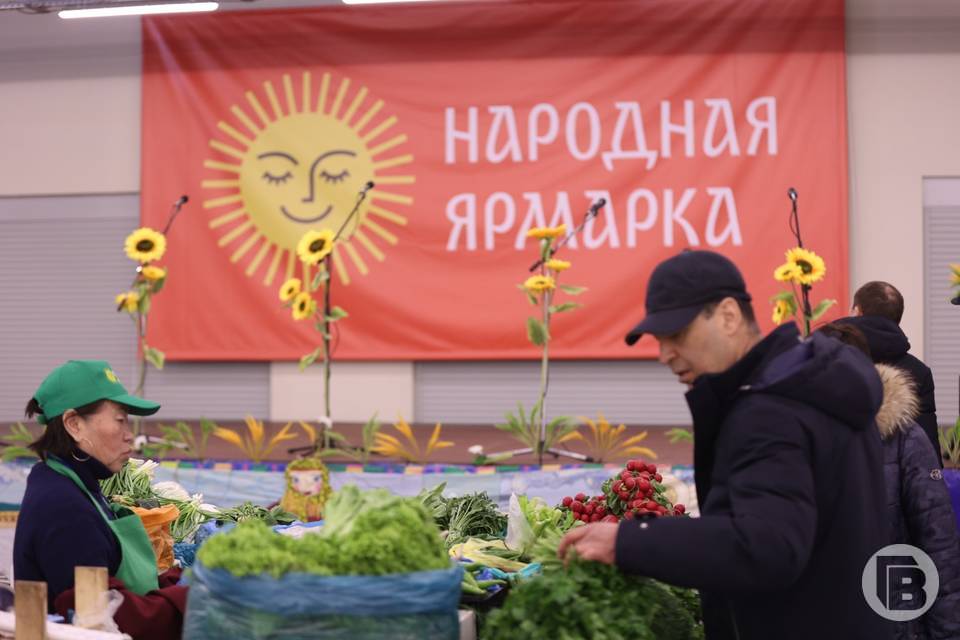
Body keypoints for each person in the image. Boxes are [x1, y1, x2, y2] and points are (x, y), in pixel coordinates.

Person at [558, 250, 892, 640]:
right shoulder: (816, 383)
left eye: (677, 335)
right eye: (659, 340)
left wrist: (628, 542)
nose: (665, 354)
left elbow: (768, 547)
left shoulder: (771, 408)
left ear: (729, 316)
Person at [13, 360, 187, 639]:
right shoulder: (62, 507)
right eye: (120, 420)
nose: (130, 435)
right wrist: (191, 598)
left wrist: (183, 581)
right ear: (74, 424)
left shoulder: (74, 486)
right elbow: (108, 616)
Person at [818, 322, 960, 640]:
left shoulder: (904, 439)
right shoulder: (797, 443)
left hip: (892, 620)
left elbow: (939, 546)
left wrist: (948, 633)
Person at [848, 280, 941, 466]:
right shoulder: (919, 373)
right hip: (897, 491)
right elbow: (928, 458)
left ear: (857, 311)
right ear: (898, 320)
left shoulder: (830, 364)